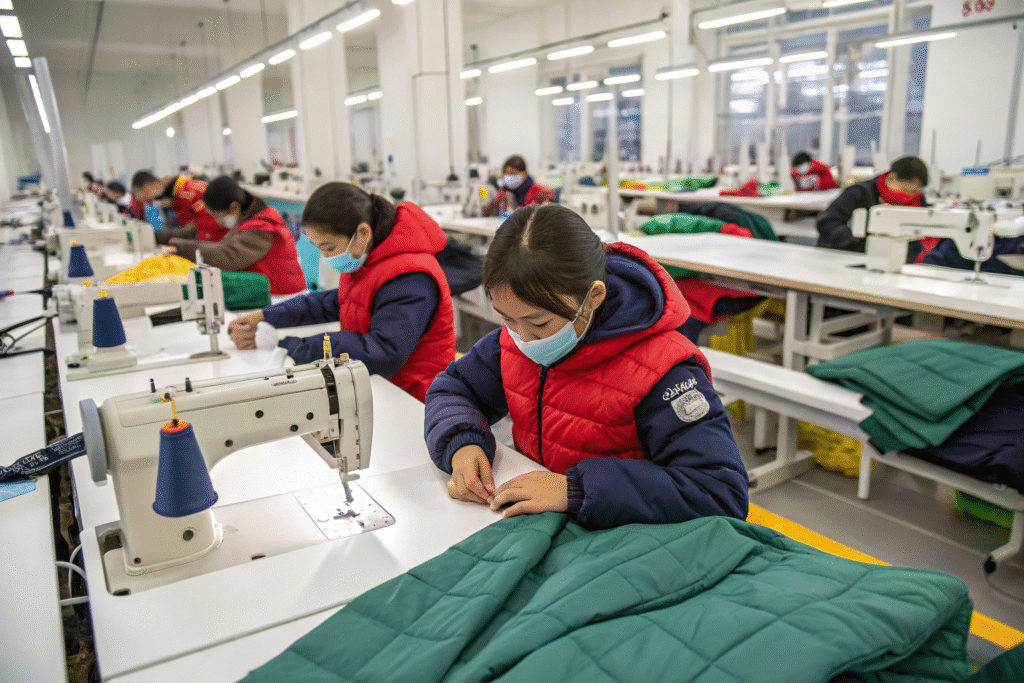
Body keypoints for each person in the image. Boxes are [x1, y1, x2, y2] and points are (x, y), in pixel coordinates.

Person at [424, 204, 748, 529]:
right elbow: (454, 388)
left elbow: (719, 491)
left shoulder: (662, 369)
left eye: (540, 323)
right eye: (507, 319)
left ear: (593, 296)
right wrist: (461, 442)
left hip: (621, 533)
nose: (524, 338)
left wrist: (577, 489)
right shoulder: (513, 342)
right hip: (546, 522)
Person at [228, 182, 456, 401]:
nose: (326, 257)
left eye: (329, 248)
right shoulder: (369, 258)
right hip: (379, 388)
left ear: (363, 233)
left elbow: (382, 352)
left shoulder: (410, 278)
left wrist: (287, 346)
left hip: (415, 401)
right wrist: (266, 315)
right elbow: (335, 303)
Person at [159, 176, 306, 296]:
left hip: (283, 296)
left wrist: (181, 249)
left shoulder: (262, 227)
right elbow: (223, 246)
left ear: (234, 207)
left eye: (216, 215)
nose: (215, 220)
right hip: (267, 290)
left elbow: (228, 256)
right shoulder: (247, 219)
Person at [816, 156, 931, 257]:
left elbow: (916, 239)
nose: (909, 197)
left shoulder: (918, 202)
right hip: (845, 255)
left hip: (893, 258)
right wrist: (863, 245)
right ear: (891, 177)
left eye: (915, 193)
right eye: (905, 191)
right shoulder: (860, 193)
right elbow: (827, 222)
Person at [131, 171, 224, 240]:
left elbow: (204, 224)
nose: (141, 199)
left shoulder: (185, 193)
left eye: (143, 193)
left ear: (152, 185)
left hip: (216, 239)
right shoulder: (178, 193)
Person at [482, 155, 556, 217]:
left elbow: (550, 214)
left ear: (524, 174)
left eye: (513, 174)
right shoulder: (502, 193)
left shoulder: (542, 192)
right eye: (507, 174)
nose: (509, 177)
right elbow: (488, 212)